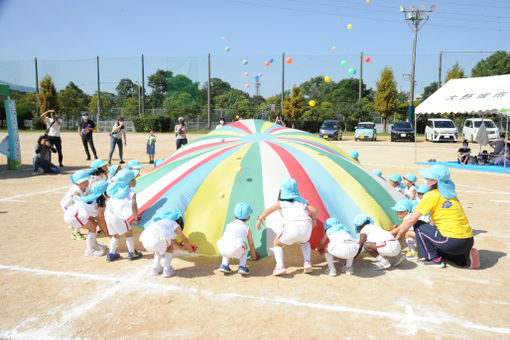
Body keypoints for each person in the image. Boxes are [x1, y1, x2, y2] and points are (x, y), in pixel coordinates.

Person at [395, 164, 479, 269]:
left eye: (427, 178)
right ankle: (464, 258)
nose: (425, 180)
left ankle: (433, 259)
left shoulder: (431, 195)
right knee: (438, 246)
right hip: (468, 240)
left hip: (451, 241)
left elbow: (411, 220)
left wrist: (399, 234)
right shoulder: (451, 194)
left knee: (419, 225)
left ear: (434, 181)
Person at [256, 178, 319, 276]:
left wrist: (260, 219)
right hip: (306, 226)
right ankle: (307, 262)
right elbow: (315, 211)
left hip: (292, 226)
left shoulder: (282, 203)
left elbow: (268, 211)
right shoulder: (301, 202)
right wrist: (314, 220)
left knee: (277, 243)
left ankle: (280, 266)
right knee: (305, 242)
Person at [139, 210, 196, 277]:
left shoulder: (161, 222)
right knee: (168, 246)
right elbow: (185, 240)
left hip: (145, 240)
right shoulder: (175, 225)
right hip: (156, 241)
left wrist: (180, 247)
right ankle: (167, 270)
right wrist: (190, 249)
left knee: (159, 246)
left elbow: (169, 239)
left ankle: (156, 268)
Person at [104, 169, 143, 262]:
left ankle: (111, 254)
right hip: (119, 217)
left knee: (115, 235)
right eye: (133, 180)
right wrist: (136, 217)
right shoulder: (131, 193)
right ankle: (132, 252)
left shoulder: (114, 191)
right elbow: (134, 205)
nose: (135, 181)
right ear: (128, 182)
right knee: (129, 233)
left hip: (109, 216)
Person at [64, 180, 109, 257]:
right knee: (92, 227)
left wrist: (103, 229)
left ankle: (94, 245)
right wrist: (106, 232)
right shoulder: (99, 203)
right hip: (73, 217)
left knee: (93, 225)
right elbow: (101, 220)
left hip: (76, 215)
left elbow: (98, 219)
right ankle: (89, 251)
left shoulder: (97, 198)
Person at [217, 202, 258, 275]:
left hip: (222, 248)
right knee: (245, 247)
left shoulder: (229, 225)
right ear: (248, 217)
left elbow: (225, 237)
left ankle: (224, 265)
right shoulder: (247, 228)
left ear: (234, 215)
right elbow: (251, 244)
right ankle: (242, 266)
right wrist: (253, 255)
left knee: (227, 243)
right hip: (235, 249)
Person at [60, 170, 91, 240]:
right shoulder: (75, 189)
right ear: (77, 183)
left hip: (74, 206)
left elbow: (89, 194)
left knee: (80, 216)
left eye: (87, 181)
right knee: (79, 217)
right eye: (83, 182)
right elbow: (76, 201)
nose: (86, 183)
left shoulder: (86, 187)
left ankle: (73, 226)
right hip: (68, 206)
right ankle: (75, 234)